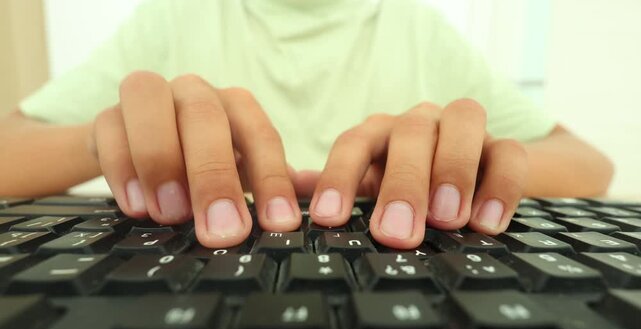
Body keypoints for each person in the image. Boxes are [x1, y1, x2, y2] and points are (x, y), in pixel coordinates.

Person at [0, 0, 613, 250]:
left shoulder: (416, 27)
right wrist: (102, 141)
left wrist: (473, 168)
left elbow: (590, 163)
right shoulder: (177, 14)